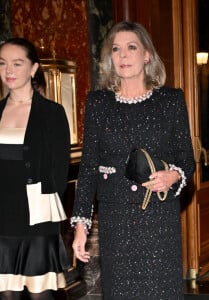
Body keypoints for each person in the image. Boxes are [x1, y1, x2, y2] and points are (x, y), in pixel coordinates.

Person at [71, 21, 195, 299]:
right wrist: (81, 227)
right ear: (110, 58)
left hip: (159, 219)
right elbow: (89, 166)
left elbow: (187, 160)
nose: (123, 55)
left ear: (147, 55)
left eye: (131, 47)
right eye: (116, 49)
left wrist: (173, 176)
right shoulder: (98, 103)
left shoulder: (170, 100)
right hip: (116, 220)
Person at [0, 38, 70, 299]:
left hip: (37, 216)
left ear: (33, 69)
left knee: (41, 293)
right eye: (2, 63)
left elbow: (59, 172)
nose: (8, 70)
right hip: (2, 216)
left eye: (17, 63)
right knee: (6, 294)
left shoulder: (52, 113)